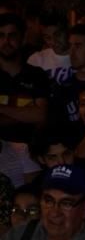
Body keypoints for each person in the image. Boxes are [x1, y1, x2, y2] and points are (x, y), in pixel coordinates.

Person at [0, 12, 49, 144]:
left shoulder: (37, 74)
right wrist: (27, 113)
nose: (6, 41)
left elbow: (41, 115)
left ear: (22, 38)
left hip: (31, 150)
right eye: (1, 36)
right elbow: (35, 114)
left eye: (12, 35)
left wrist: (2, 109)